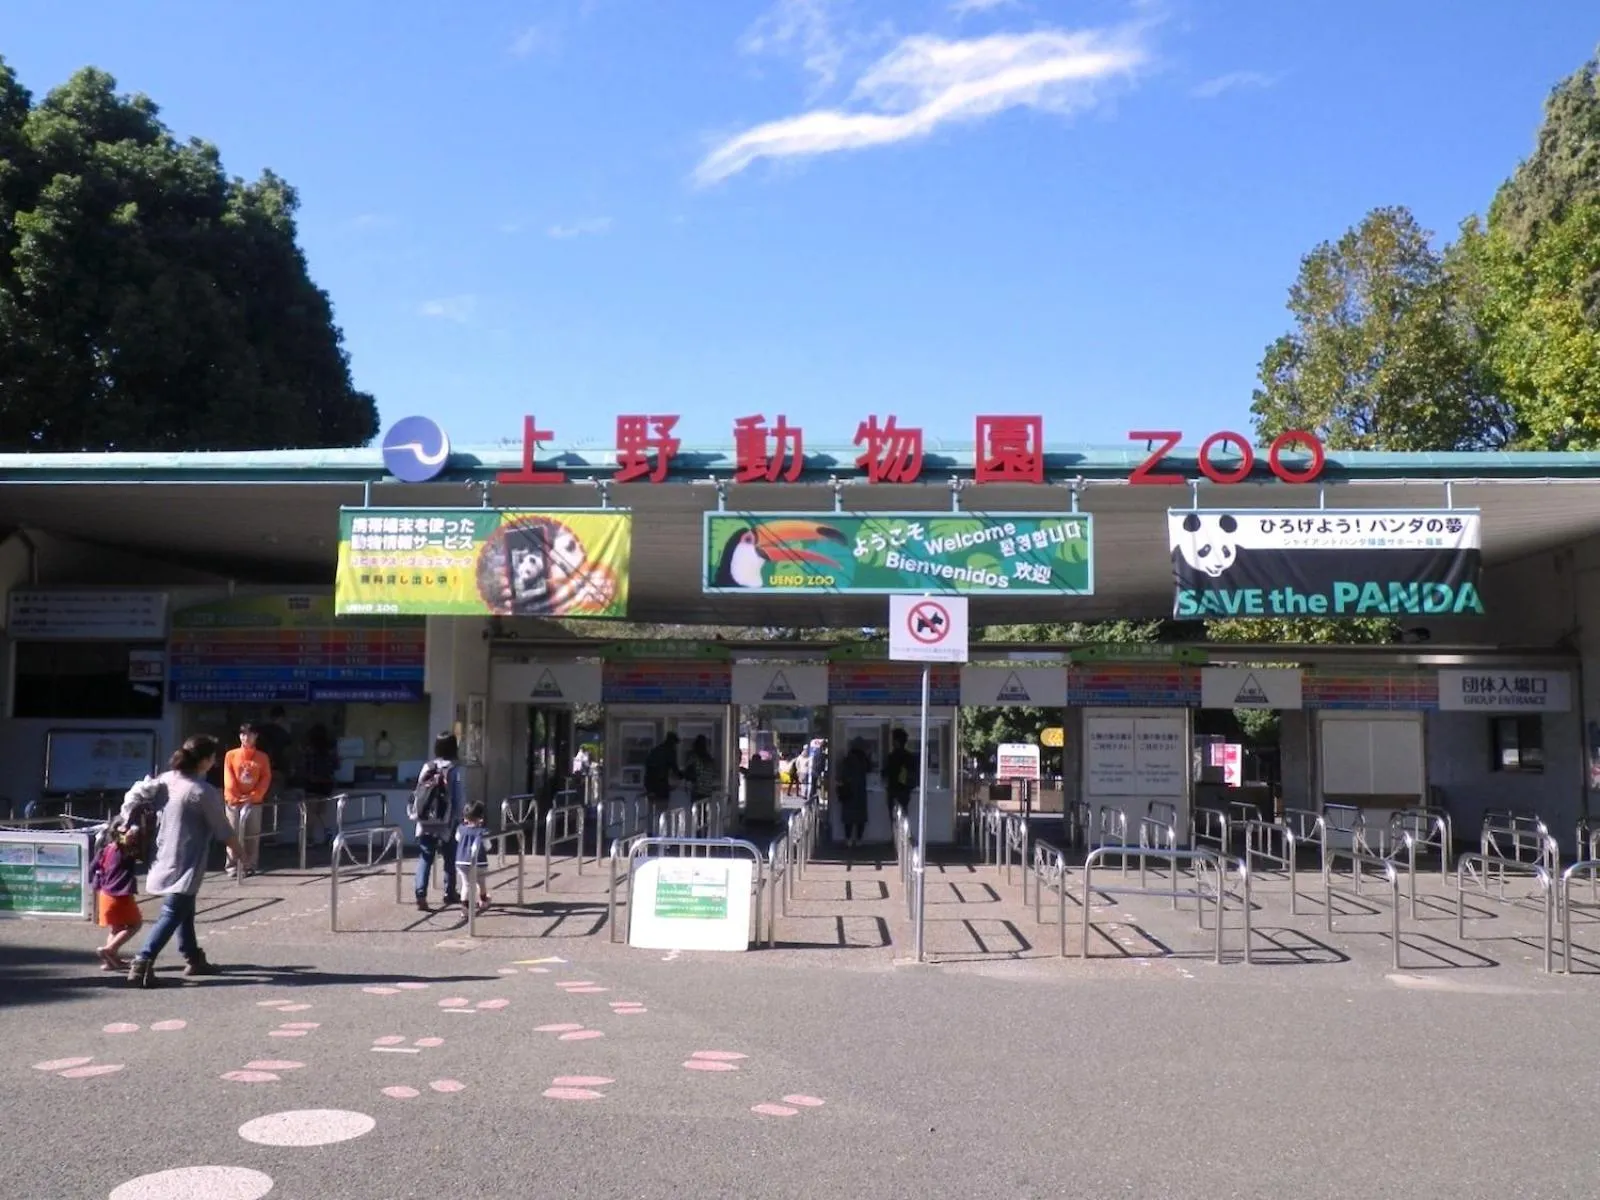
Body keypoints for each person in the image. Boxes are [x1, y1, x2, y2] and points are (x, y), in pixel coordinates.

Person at [124, 736, 240, 988]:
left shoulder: (166, 780)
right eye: (212, 757)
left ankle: (192, 956)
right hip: (186, 859)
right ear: (205, 761)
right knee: (174, 909)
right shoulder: (201, 791)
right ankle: (143, 960)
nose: (215, 761)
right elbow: (222, 828)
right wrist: (240, 852)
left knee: (184, 906)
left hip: (162, 852)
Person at [410, 732, 464, 912]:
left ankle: (420, 893)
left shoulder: (428, 767)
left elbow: (419, 793)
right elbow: (458, 798)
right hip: (446, 820)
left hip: (425, 820)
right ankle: (450, 892)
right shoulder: (454, 769)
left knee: (426, 857)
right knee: (450, 856)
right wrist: (460, 819)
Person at [91, 824, 143, 971]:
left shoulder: (105, 850)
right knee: (135, 925)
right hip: (120, 895)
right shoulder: (125, 851)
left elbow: (92, 867)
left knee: (116, 928)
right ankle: (110, 949)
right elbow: (139, 851)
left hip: (105, 895)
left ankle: (110, 962)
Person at [223, 724, 272, 875]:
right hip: (233, 801)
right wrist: (235, 794)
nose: (246, 737)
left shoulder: (262, 757)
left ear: (256, 736)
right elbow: (228, 776)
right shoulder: (231, 755)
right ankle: (232, 865)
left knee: (253, 833)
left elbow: (266, 777)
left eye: (250, 734)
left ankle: (250, 864)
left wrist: (254, 795)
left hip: (254, 802)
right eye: (243, 734)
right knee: (232, 833)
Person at [302, 724, 339, 845]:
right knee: (320, 811)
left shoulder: (309, 750)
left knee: (311, 812)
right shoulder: (330, 750)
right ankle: (327, 831)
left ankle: (309, 838)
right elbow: (336, 766)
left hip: (312, 783)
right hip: (326, 784)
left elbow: (305, 767)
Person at [454, 802, 492, 915]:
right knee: (481, 882)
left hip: (461, 861)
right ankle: (483, 900)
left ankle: (465, 908)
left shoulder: (461, 829)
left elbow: (457, 839)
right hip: (479, 861)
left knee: (466, 884)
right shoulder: (482, 832)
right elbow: (488, 846)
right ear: (481, 817)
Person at [883, 728, 918, 834]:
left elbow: (886, 773)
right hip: (905, 790)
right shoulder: (910, 757)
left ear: (896, 741)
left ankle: (897, 838)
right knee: (903, 813)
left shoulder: (892, 756)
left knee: (894, 817)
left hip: (893, 790)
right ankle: (905, 837)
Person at [837, 740, 870, 849]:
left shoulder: (847, 760)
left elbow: (842, 775)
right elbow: (870, 769)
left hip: (849, 792)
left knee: (849, 818)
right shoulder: (864, 760)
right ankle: (859, 839)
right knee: (860, 818)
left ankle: (848, 839)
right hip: (860, 792)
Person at [643, 732, 682, 821]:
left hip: (649, 784)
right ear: (672, 742)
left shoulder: (655, 750)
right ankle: (659, 831)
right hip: (661, 786)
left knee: (651, 813)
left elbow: (648, 765)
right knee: (662, 813)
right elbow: (675, 769)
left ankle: (651, 832)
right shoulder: (670, 752)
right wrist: (683, 775)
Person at [685, 735, 719, 805]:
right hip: (707, 790)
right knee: (704, 812)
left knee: (696, 811)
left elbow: (688, 772)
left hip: (697, 789)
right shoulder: (709, 759)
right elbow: (714, 773)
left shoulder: (693, 758)